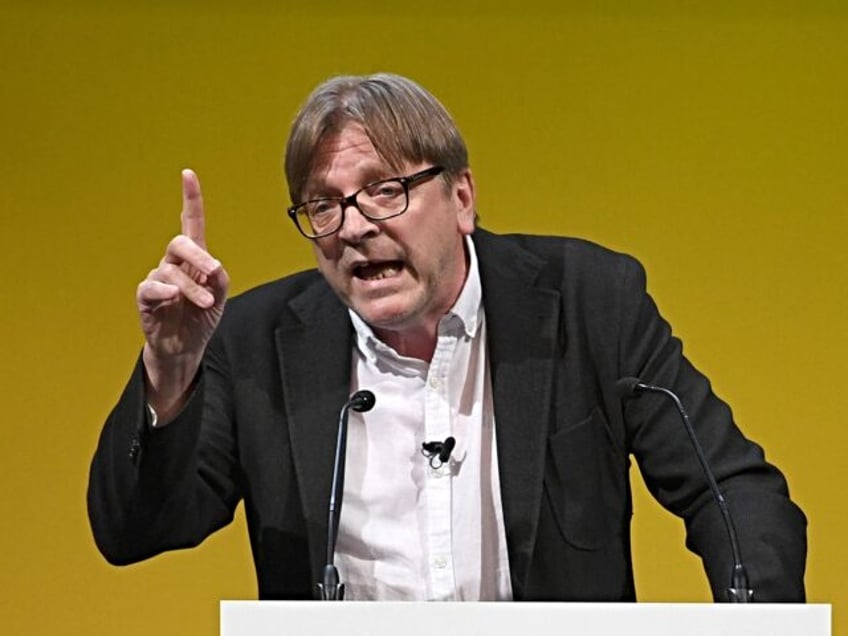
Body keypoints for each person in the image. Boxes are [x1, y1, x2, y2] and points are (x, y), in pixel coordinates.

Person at [87, 73, 807, 602]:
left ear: (461, 198)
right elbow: (133, 532)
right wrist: (169, 375)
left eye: (385, 190)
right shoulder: (255, 340)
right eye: (324, 205)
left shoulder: (589, 302)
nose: (356, 226)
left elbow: (733, 491)